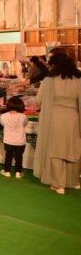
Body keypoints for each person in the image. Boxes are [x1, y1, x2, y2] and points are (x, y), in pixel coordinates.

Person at [33, 53, 81, 194]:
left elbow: (38, 100)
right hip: (74, 117)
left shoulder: (49, 80)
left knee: (56, 150)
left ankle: (58, 184)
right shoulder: (78, 79)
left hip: (55, 117)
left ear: (54, 65)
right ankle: (73, 181)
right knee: (73, 148)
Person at [0, 96, 28, 178]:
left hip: (8, 141)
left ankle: (7, 171)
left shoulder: (3, 116)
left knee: (8, 156)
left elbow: (2, 124)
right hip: (20, 141)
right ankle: (18, 172)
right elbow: (25, 124)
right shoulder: (23, 116)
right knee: (19, 157)